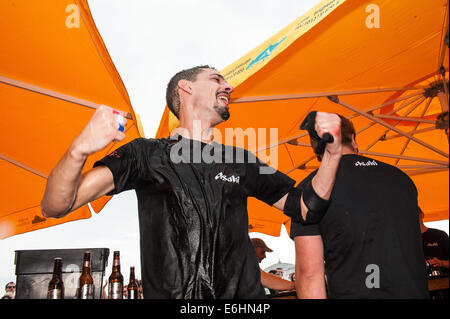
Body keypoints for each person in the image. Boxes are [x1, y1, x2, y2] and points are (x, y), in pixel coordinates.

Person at [41, 65, 343, 299]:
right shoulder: (144, 154)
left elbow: (306, 208)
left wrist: (331, 152)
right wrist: (79, 149)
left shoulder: (242, 160)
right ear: (185, 88)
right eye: (216, 79)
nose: (229, 86)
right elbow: (56, 205)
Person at [290, 115, 429, 299]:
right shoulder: (402, 179)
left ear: (316, 147)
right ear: (353, 140)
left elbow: (309, 274)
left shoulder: (310, 189)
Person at [419, 207, 449, 275]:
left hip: (442, 282)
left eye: (415, 214)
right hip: (417, 283)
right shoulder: (406, 240)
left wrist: (441, 263)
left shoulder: (440, 235)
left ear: (422, 215)